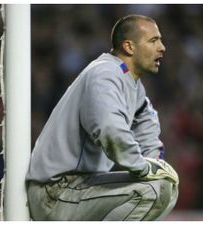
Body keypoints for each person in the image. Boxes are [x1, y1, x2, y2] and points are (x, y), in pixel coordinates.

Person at [26, 14, 179, 221]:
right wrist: (144, 168)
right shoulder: (105, 73)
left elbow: (147, 128)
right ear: (129, 47)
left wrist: (155, 165)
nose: (162, 47)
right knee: (152, 190)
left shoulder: (132, 84)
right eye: (153, 41)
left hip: (82, 188)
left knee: (166, 188)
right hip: (56, 191)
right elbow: (109, 129)